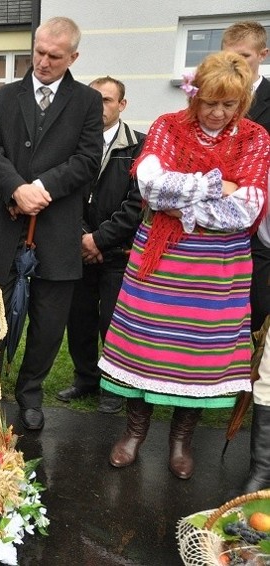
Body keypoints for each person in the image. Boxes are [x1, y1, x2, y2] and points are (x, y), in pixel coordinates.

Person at [99, 51, 269, 480]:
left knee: (197, 356)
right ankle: (134, 433)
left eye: (229, 105)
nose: (217, 112)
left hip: (218, 269)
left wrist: (183, 208)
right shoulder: (167, 127)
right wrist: (216, 184)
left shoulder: (254, 138)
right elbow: (151, 187)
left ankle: (180, 441)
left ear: (242, 103)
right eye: (210, 102)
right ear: (195, 95)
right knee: (144, 345)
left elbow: (246, 210)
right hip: (160, 260)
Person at [0, 16, 103, 431]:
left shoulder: (87, 101)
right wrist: (16, 189)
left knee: (48, 323)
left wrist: (41, 188)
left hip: (57, 232)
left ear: (73, 57)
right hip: (4, 229)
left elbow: (87, 159)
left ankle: (30, 394)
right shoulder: (4, 96)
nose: (43, 62)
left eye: (55, 56)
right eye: (39, 52)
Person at [57, 76, 144, 415]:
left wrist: (100, 239)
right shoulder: (72, 143)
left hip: (117, 252)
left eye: (107, 100)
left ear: (122, 105)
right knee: (78, 319)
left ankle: (115, 383)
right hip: (77, 247)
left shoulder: (139, 146)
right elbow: (65, 192)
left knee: (113, 320)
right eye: (94, 99)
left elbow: (138, 203)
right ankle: (86, 378)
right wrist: (81, 236)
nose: (100, 106)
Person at [219, 21, 270, 493]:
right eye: (230, 55)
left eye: (246, 58)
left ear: (262, 55)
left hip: (257, 219)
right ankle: (235, 399)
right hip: (245, 240)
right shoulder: (214, 102)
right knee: (247, 323)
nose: (238, 65)